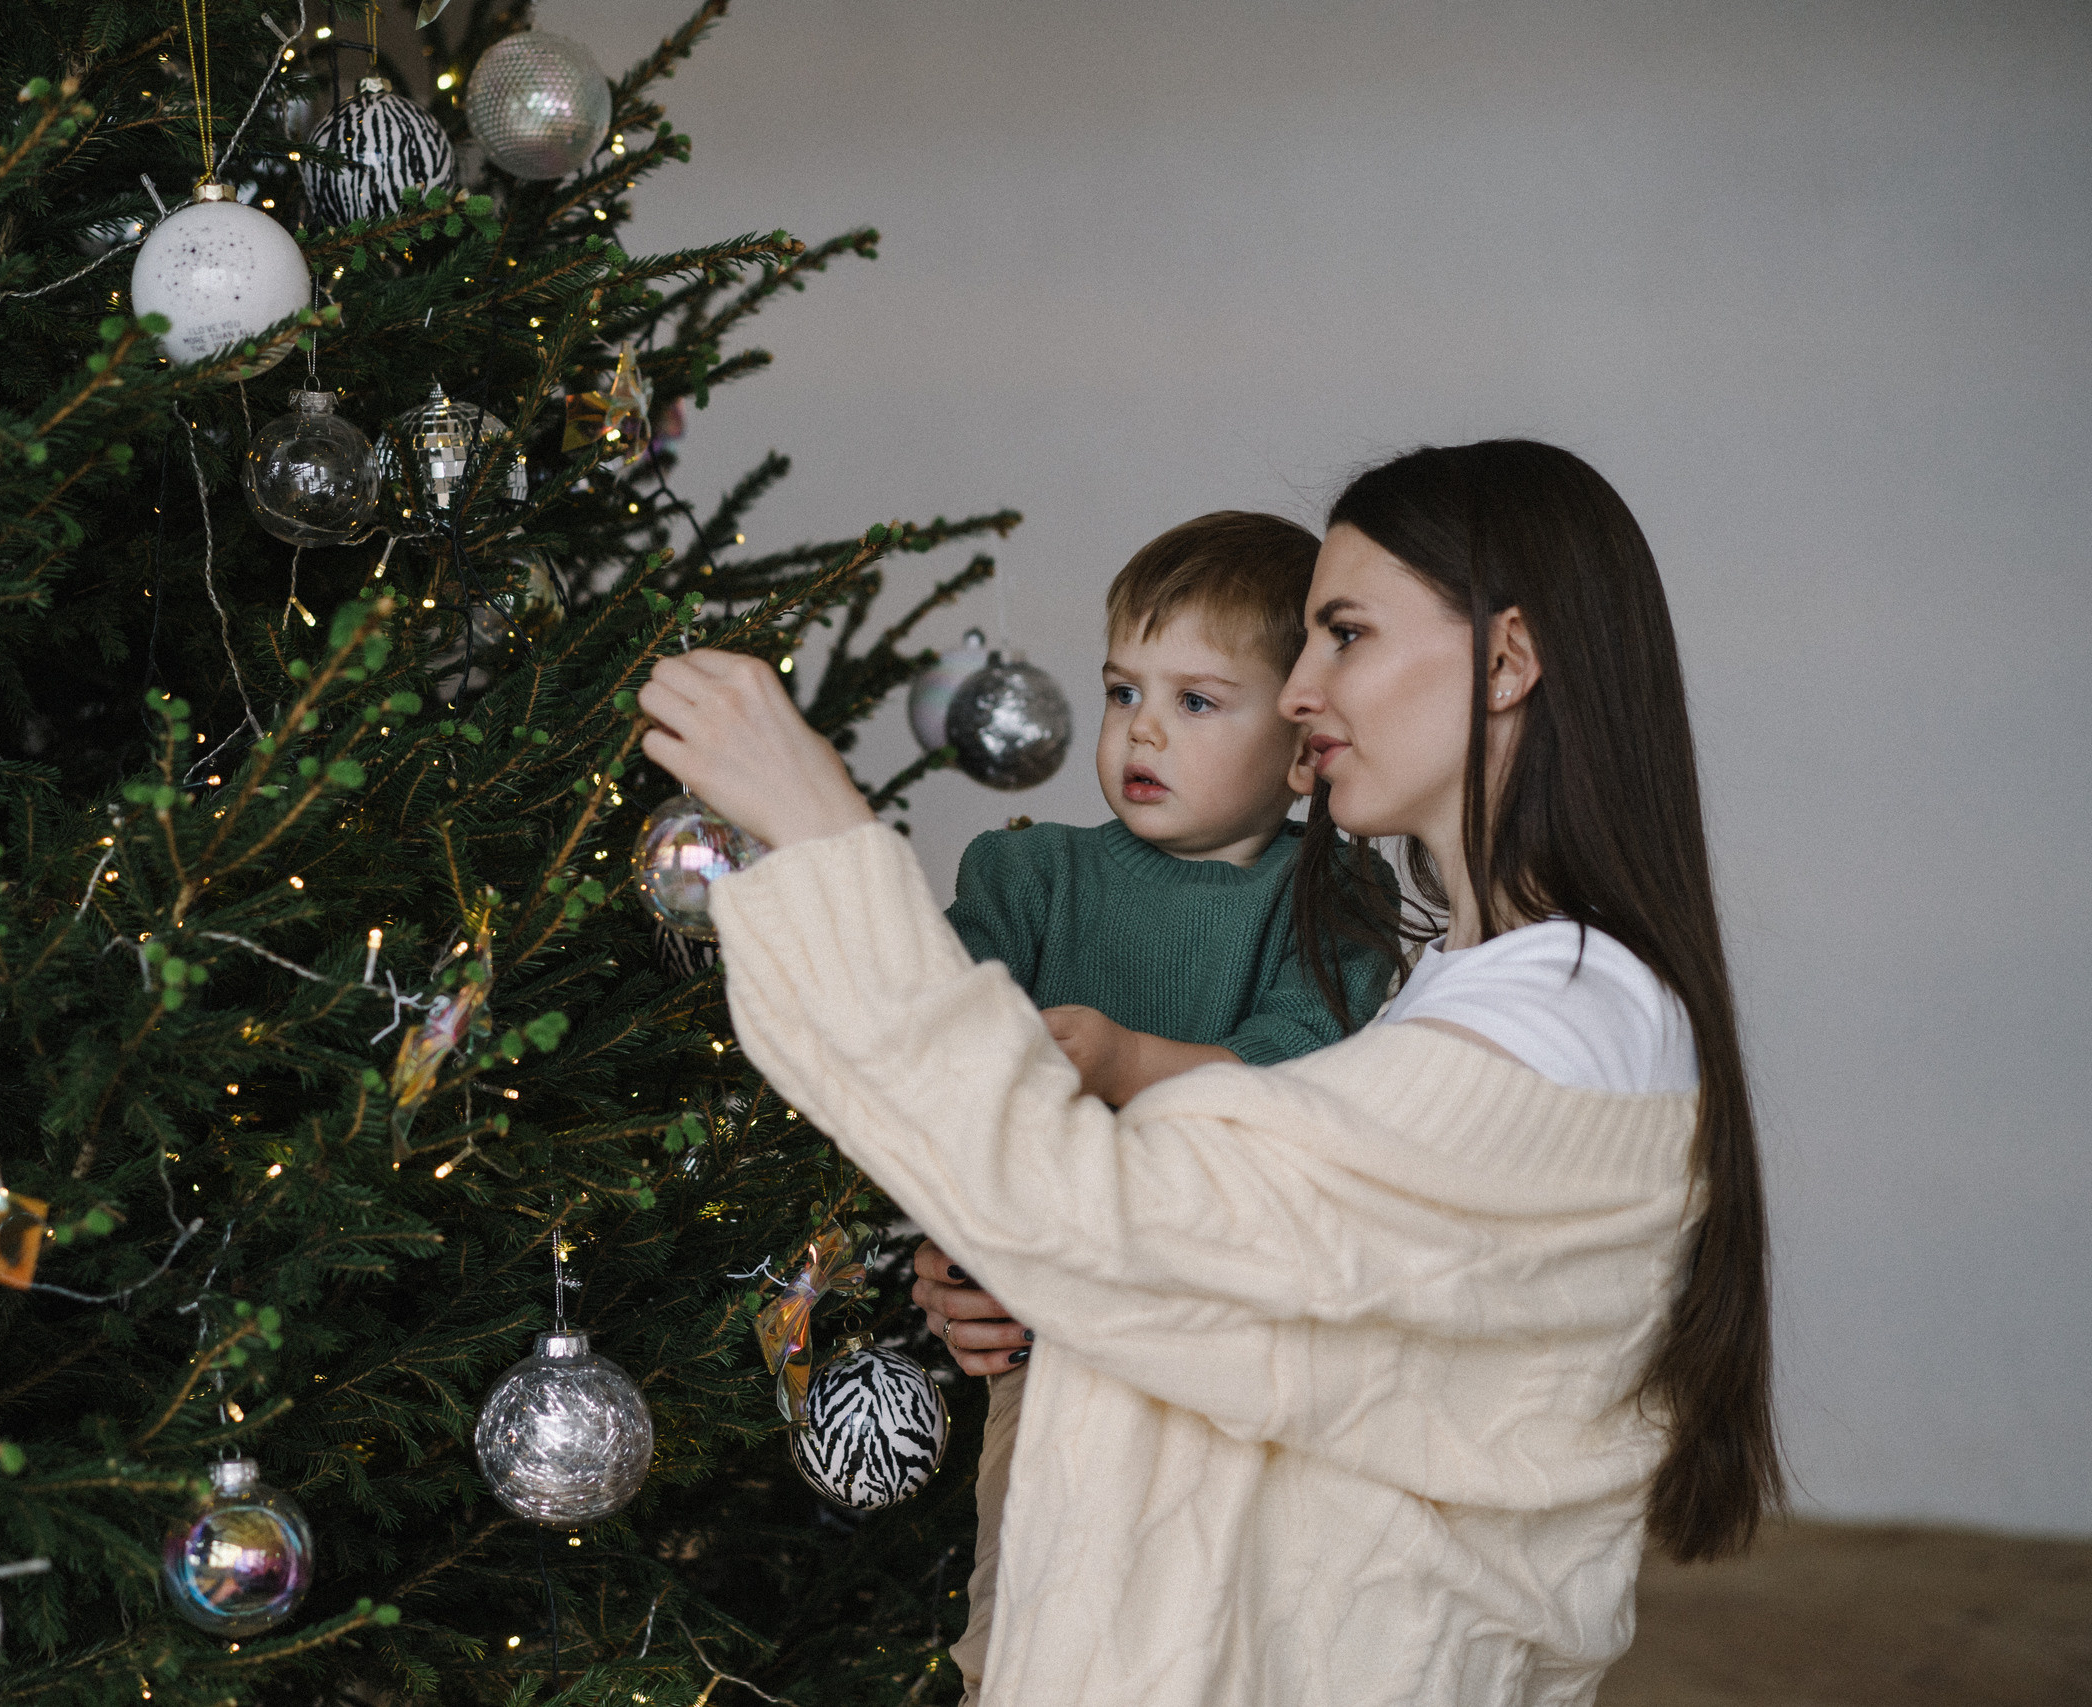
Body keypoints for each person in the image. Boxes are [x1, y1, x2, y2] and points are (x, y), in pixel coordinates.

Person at [637, 439, 1779, 1707]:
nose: (1299, 692)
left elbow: (1131, 1226)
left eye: (1345, 635)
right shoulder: (1471, 988)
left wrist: (821, 833)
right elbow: (1227, 1286)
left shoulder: (1563, 1017)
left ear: (1505, 662)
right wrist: (1021, 1279)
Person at [936, 511, 1401, 1698]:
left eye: (1196, 700)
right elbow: (935, 1059)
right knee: (1034, 1603)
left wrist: (1128, 1062)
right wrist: (950, 1238)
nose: (1142, 728)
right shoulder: (1029, 878)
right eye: (1122, 691)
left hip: (1240, 1329)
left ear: (1300, 750)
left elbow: (1306, 1066)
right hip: (1053, 1325)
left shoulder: (1327, 894)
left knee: (1226, 1617)